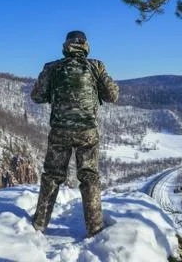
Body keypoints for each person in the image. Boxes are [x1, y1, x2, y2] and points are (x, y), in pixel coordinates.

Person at [31, 30, 119, 237]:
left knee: (52, 177)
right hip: (87, 132)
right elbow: (112, 95)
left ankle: (39, 226)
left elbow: (37, 96)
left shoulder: (52, 67)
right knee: (89, 178)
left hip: (60, 130)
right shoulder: (96, 66)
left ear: (66, 45)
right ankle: (95, 229)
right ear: (85, 45)